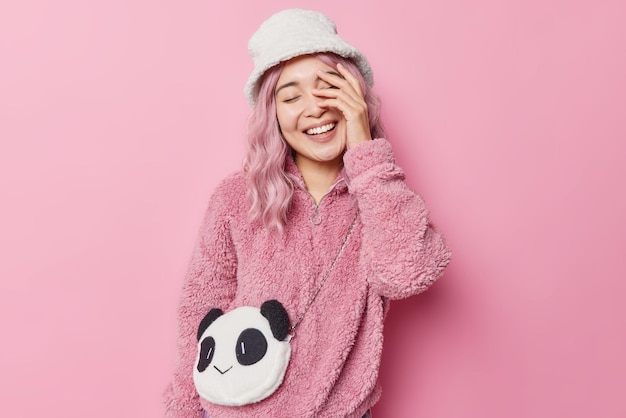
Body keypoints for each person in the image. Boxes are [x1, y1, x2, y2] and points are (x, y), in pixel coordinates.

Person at [164, 8, 451, 418]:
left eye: (328, 88)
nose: (314, 108)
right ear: (273, 114)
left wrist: (366, 153)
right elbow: (200, 310)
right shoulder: (235, 198)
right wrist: (182, 412)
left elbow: (408, 273)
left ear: (354, 97)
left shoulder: (381, 196)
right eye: (291, 96)